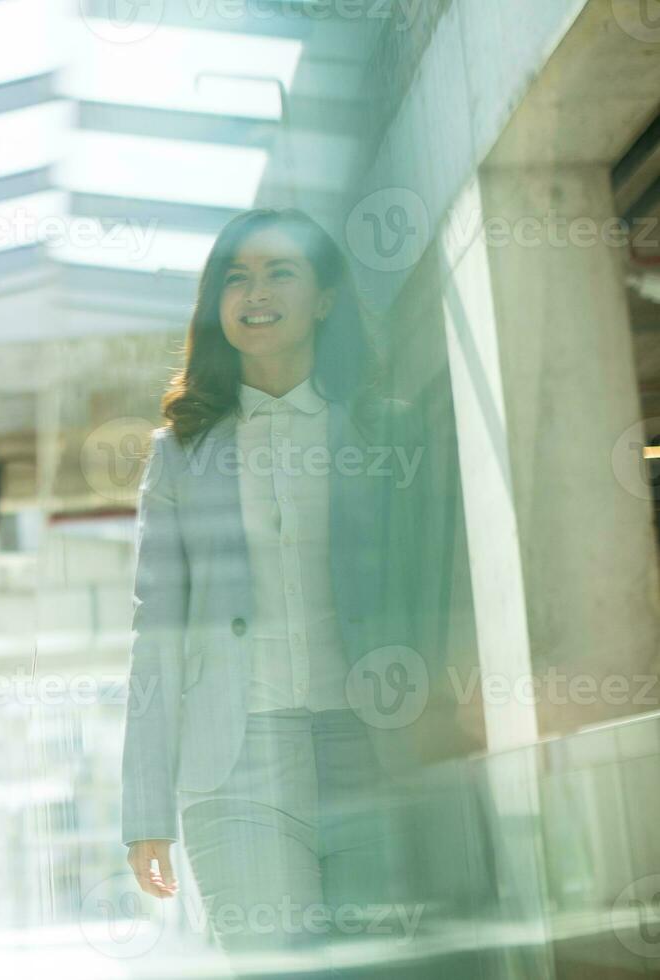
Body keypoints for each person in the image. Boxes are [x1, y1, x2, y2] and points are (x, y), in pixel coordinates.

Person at [120, 209, 426, 977]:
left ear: (324, 297)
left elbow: (424, 598)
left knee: (384, 966)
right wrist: (144, 809)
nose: (254, 293)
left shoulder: (387, 434)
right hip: (235, 759)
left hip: (373, 743)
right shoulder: (181, 453)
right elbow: (155, 632)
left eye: (279, 272)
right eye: (235, 278)